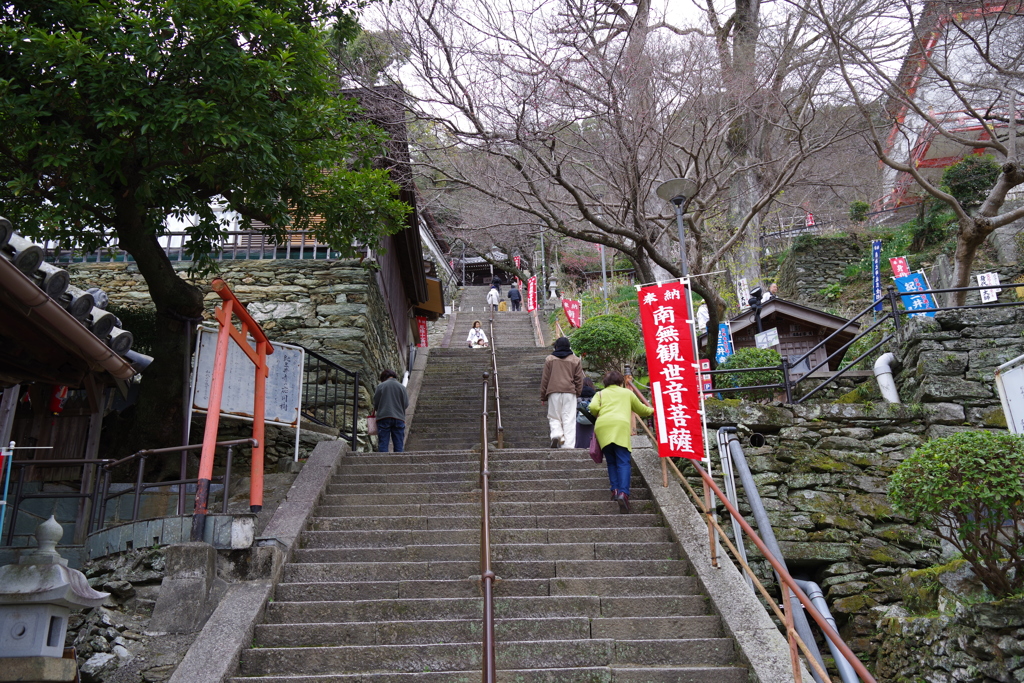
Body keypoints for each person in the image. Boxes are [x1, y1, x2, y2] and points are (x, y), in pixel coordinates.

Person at [589, 370, 654, 513]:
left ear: (605, 383)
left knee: (611, 461)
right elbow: (641, 409)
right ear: (621, 381)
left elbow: (592, 407)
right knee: (623, 461)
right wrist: (654, 411)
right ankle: (623, 493)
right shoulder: (627, 393)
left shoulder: (600, 394)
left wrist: (599, 413)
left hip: (603, 427)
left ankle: (615, 490)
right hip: (620, 427)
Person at [540, 337, 585, 448]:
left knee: (554, 416)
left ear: (556, 346)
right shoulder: (575, 360)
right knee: (569, 418)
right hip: (570, 392)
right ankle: (568, 446)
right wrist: (578, 393)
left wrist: (543, 396)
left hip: (553, 391)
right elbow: (579, 379)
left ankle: (556, 434)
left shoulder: (550, 359)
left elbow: (545, 378)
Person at [372, 369, 408, 453]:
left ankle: (383, 464)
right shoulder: (402, 387)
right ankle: (400, 464)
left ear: (384, 377)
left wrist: (381, 409)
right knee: (399, 445)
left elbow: (376, 403)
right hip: (399, 418)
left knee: (383, 444)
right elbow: (406, 404)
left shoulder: (381, 386)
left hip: (384, 417)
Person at [575, 377, 597, 450]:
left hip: (579, 420)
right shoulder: (595, 395)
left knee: (579, 437)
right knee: (590, 436)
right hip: (592, 420)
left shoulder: (577, 394)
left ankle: (578, 449)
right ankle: (592, 448)